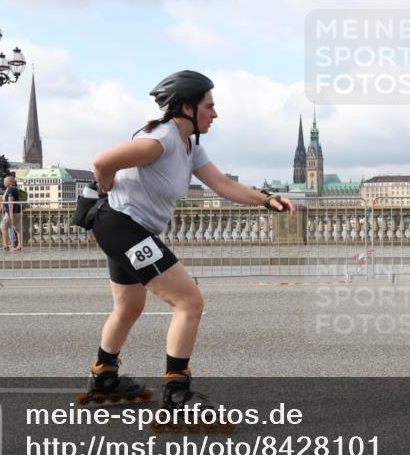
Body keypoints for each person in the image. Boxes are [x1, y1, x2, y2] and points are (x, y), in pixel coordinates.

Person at [80, 70, 295, 422]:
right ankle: (177, 393)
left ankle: (104, 376)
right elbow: (102, 162)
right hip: (123, 227)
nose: (215, 113)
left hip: (125, 228)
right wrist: (106, 189)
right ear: (186, 108)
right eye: (209, 106)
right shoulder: (161, 139)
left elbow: (223, 185)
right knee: (189, 302)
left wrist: (267, 200)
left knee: (128, 307)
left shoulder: (190, 146)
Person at [0, 177, 20, 252]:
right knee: (15, 229)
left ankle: (7, 246)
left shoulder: (11, 189)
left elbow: (10, 203)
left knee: (4, 227)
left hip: (10, 212)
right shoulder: (9, 189)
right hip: (11, 212)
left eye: (5, 181)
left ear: (10, 182)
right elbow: (5, 202)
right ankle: (15, 245)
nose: (4, 183)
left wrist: (10, 214)